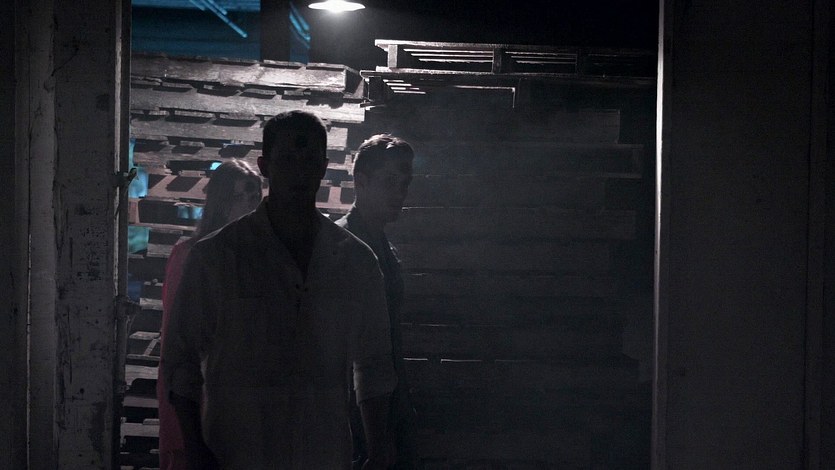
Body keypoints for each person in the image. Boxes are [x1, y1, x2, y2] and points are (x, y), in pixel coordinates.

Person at [162, 110, 397, 470]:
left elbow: (375, 364)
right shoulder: (217, 257)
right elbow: (181, 360)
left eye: (310, 161)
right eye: (287, 159)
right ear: (265, 166)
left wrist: (380, 452)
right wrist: (194, 451)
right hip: (237, 454)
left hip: (321, 454)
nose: (299, 172)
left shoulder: (356, 262)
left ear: (323, 167)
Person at [157, 159, 263, 470]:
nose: (251, 204)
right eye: (242, 196)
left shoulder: (261, 258)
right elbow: (176, 341)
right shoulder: (190, 255)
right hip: (198, 391)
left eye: (255, 196)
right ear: (222, 201)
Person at [336, 134, 417, 469]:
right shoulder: (341, 246)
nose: (400, 193)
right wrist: (375, 442)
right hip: (354, 419)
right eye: (390, 182)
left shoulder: (384, 247)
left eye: (405, 183)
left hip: (386, 408)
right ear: (361, 181)